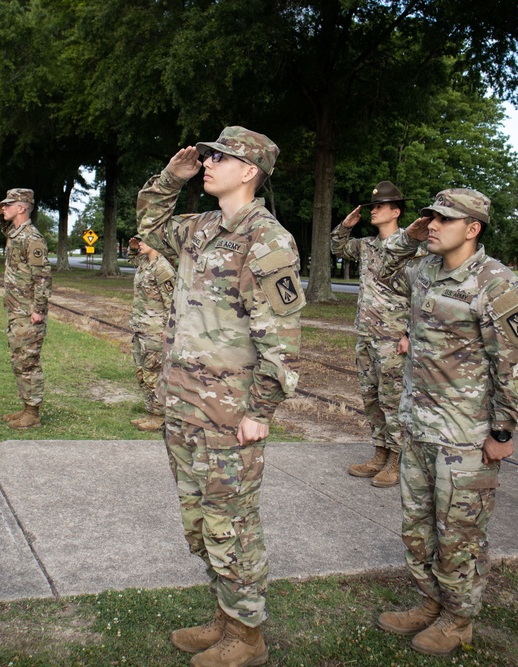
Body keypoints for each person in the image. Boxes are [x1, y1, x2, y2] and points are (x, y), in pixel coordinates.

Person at [138, 126, 304, 667]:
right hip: (185, 405)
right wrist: (170, 179)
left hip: (231, 414)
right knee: (199, 518)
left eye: (220, 157)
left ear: (250, 170)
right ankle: (225, 615)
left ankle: (248, 635)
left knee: (232, 522)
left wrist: (261, 411)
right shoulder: (201, 227)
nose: (207, 162)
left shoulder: (269, 239)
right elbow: (150, 225)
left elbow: (281, 338)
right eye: (208, 156)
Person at [376, 189, 518, 656]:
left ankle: (459, 619)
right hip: (419, 426)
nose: (433, 225)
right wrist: (409, 234)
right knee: (417, 526)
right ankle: (430, 603)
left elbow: (515, 364)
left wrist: (503, 431)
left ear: (473, 228)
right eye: (430, 218)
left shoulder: (496, 284)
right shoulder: (424, 269)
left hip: (465, 436)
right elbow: (383, 270)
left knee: (459, 534)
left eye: (444, 219)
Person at [331, 181, 420, 488]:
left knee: (393, 400)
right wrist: (346, 225)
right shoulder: (366, 245)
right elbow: (337, 248)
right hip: (367, 335)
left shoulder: (412, 247)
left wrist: (410, 332)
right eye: (372, 207)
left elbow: (421, 293)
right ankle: (379, 454)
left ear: (396, 211)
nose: (374, 211)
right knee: (371, 398)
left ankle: (397, 459)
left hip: (394, 338)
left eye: (380, 207)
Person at [0, 188, 51, 428]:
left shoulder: (32, 238)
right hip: (17, 311)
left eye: (9, 204)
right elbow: (3, 225)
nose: (4, 208)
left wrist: (38, 309)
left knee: (28, 362)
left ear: (22, 208)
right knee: (19, 360)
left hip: (28, 313)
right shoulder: (16, 233)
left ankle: (33, 414)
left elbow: (43, 277)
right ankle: (26, 407)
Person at [127, 234, 176, 432]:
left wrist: (168, 331)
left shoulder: (163, 268)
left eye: (143, 241)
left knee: (153, 374)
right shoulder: (145, 262)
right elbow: (133, 258)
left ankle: (159, 416)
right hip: (141, 328)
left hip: (155, 331)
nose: (140, 244)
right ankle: (151, 412)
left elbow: (172, 303)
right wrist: (132, 247)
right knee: (142, 372)